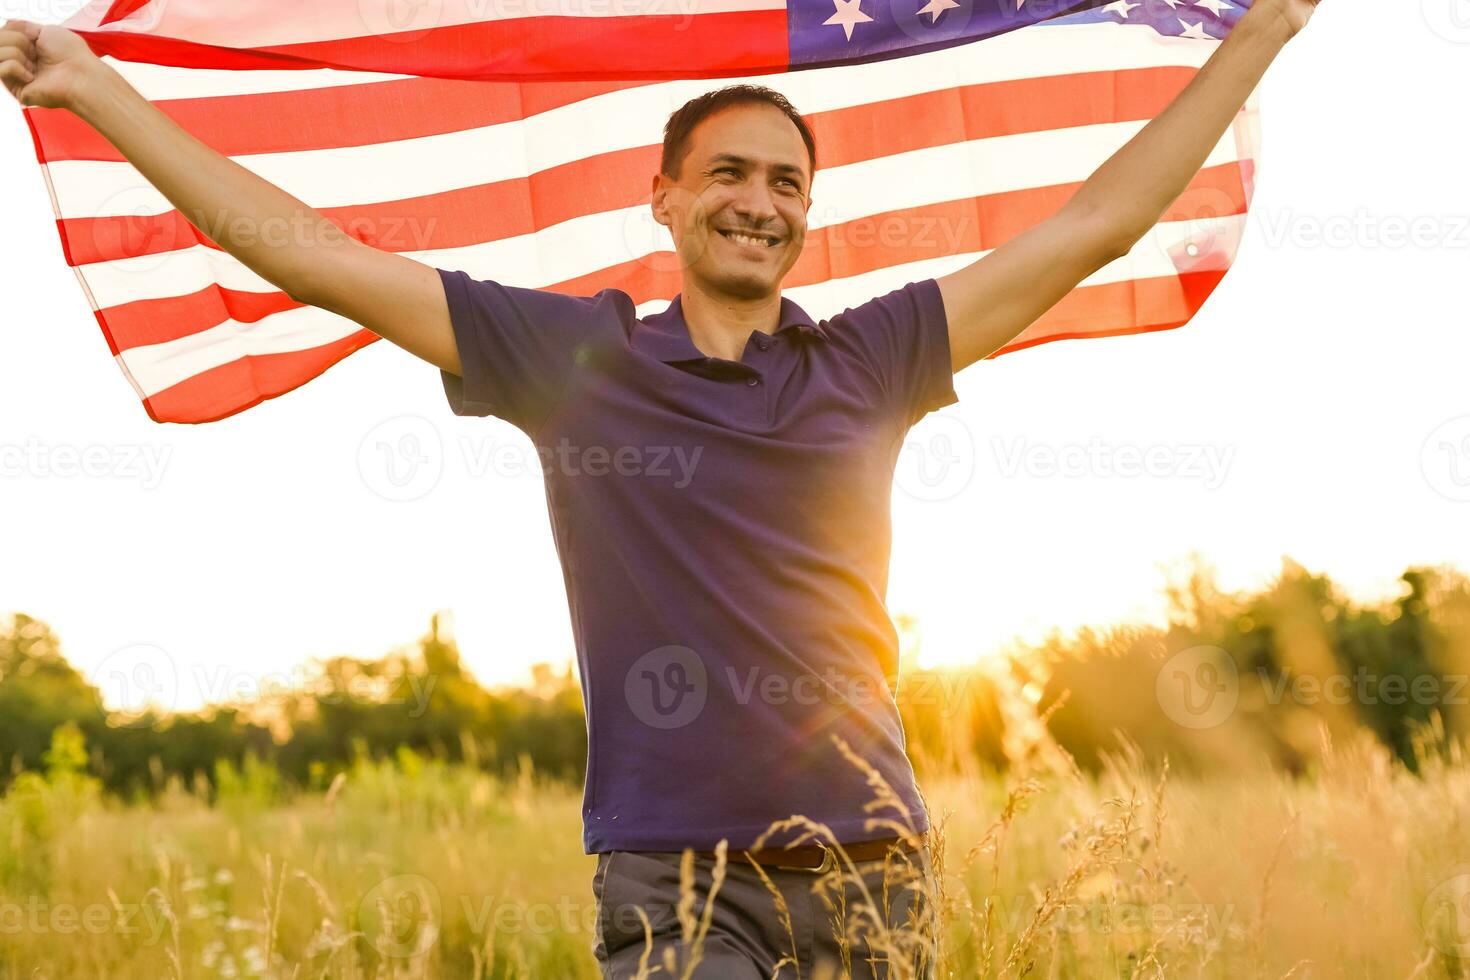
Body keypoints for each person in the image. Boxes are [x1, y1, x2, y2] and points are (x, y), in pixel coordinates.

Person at [0, 2, 1321, 974]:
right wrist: (94, 88)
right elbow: (305, 256)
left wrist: (1256, 36)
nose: (759, 201)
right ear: (667, 201)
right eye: (729, 175)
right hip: (679, 891)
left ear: (807, 216)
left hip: (873, 880)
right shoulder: (573, 358)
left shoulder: (874, 355)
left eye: (785, 184)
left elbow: (1093, 225)